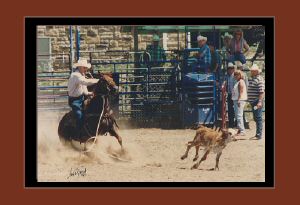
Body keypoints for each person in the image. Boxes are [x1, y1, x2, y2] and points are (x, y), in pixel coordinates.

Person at [67, 59, 99, 139]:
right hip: (75, 101)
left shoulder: (81, 75)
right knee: (79, 115)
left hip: (81, 98)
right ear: (80, 67)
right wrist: (98, 80)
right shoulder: (75, 75)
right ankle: (79, 133)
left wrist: (88, 93)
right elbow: (85, 82)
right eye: (84, 68)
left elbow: (83, 87)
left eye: (86, 68)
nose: (86, 69)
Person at [247, 64, 265, 140]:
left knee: (258, 117)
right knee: (256, 117)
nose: (251, 72)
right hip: (253, 101)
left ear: (256, 72)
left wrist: (260, 102)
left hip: (256, 101)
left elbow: (261, 92)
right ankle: (258, 133)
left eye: (252, 71)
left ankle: (259, 134)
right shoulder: (252, 78)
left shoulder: (259, 79)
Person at [232, 70, 248, 136]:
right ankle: (240, 128)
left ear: (240, 75)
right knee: (237, 115)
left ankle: (242, 130)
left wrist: (239, 99)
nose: (235, 76)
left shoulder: (240, 82)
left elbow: (241, 92)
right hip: (236, 100)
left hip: (239, 100)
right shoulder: (238, 81)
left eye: (237, 74)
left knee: (239, 115)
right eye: (235, 74)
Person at [225, 62, 236, 128]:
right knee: (230, 110)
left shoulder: (235, 76)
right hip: (229, 95)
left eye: (231, 68)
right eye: (229, 68)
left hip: (235, 95)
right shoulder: (226, 76)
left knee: (236, 110)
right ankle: (231, 124)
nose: (230, 69)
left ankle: (236, 124)